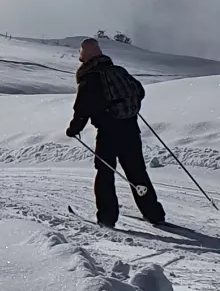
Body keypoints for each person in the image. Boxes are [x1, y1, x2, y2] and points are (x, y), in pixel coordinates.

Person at [66, 38, 164, 228]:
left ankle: (107, 217)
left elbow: (82, 109)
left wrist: (74, 129)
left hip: (108, 132)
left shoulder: (90, 77)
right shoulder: (117, 70)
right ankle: (154, 213)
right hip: (130, 128)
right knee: (137, 172)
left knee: (105, 173)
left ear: (85, 54)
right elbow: (139, 91)